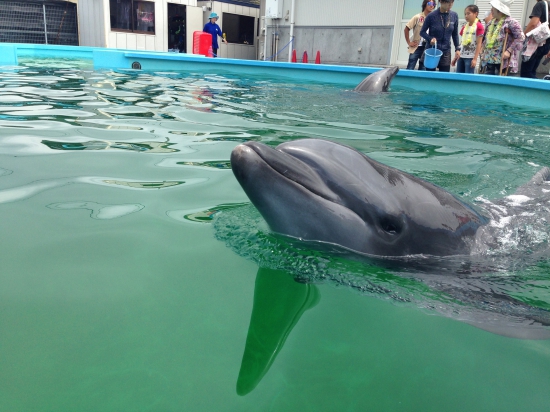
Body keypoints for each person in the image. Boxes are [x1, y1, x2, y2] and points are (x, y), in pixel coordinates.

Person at [480, 0, 524, 76]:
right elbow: (485, 37)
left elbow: (520, 38)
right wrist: (482, 48)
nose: (491, 10)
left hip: (502, 61)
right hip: (489, 59)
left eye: (493, 8)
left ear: (499, 10)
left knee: (499, 84)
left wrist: (509, 51)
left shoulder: (511, 22)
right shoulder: (491, 23)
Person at [420, 0, 461, 72]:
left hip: (446, 51)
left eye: (452, 2)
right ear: (441, 1)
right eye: (448, 2)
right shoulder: (431, 16)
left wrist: (457, 49)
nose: (450, 5)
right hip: (432, 50)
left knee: (444, 77)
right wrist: (430, 39)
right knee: (430, 76)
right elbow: (422, 32)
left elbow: (455, 34)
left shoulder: (454, 15)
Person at [521, 0, 550, 78]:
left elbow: (534, 23)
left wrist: (523, 35)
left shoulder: (540, 4)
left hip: (536, 43)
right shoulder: (548, 4)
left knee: (526, 74)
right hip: (546, 43)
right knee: (532, 71)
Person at [452, 5, 484, 73]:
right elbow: (462, 42)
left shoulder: (479, 26)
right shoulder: (465, 26)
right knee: (459, 78)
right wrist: (456, 56)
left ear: (476, 13)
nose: (466, 16)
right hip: (461, 56)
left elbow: (479, 44)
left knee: (468, 78)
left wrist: (475, 59)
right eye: (465, 14)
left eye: (468, 13)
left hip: (470, 57)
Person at [404, 0, 436, 70]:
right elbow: (406, 28)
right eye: (430, 3)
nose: (432, 5)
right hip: (416, 46)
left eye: (433, 4)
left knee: (423, 69)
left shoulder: (434, 19)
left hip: (427, 48)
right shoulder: (417, 17)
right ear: (425, 4)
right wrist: (409, 42)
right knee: (410, 68)